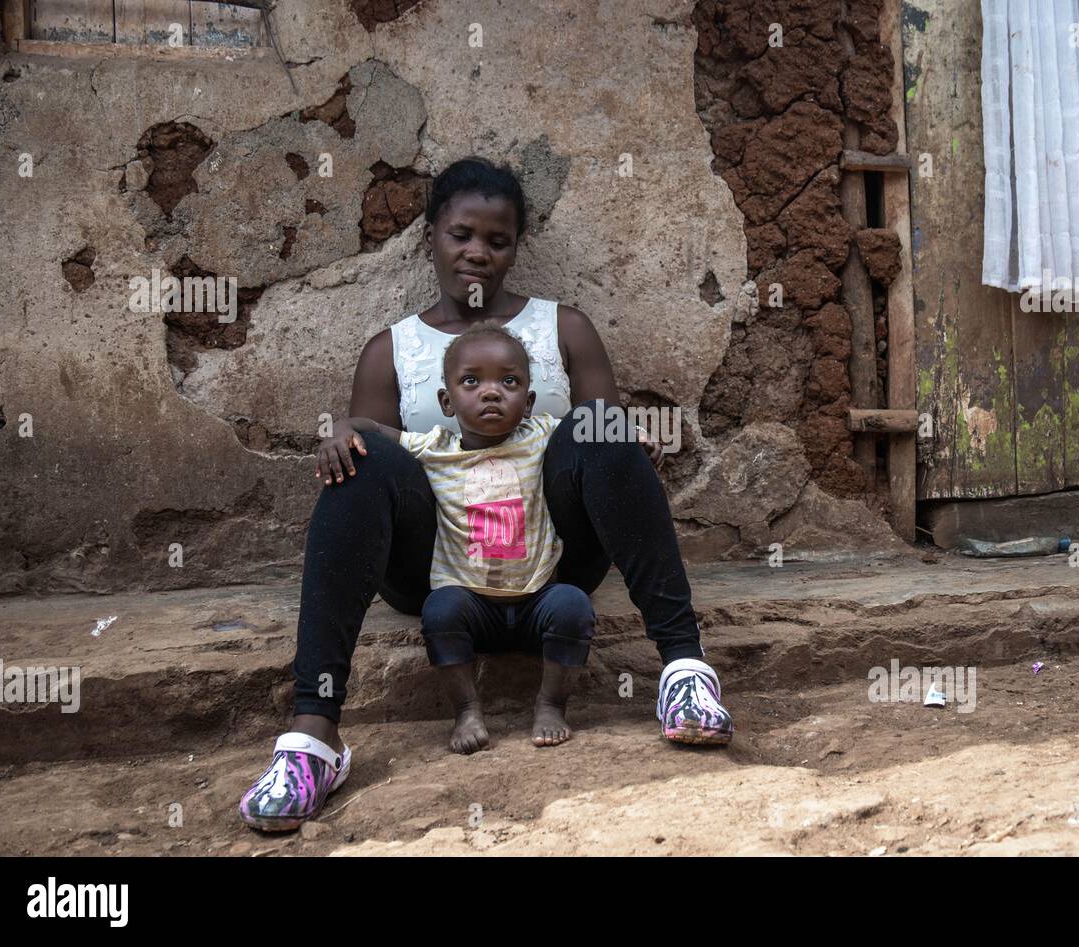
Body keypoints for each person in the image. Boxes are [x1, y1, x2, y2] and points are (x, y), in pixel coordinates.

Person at [239, 156, 732, 832]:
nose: (477, 253)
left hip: (554, 562)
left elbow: (611, 449)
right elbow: (373, 456)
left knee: (599, 425)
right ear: (430, 238)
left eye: (496, 240)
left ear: (515, 248)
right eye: (460, 234)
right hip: (438, 576)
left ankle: (685, 672)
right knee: (361, 458)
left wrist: (623, 441)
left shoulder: (565, 329)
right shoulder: (392, 350)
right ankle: (314, 736)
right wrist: (345, 434)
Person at [360, 322, 595, 754]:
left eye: (508, 381)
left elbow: (592, 433)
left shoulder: (541, 434)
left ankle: (551, 704)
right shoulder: (435, 448)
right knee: (439, 609)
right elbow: (375, 433)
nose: (491, 392)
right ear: (446, 402)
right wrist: (343, 430)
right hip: (470, 604)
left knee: (574, 604)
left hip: (536, 598)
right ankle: (467, 709)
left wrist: (633, 437)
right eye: (472, 381)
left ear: (527, 403)